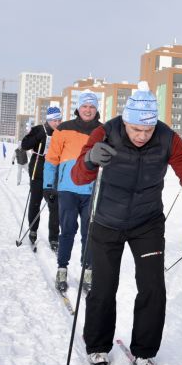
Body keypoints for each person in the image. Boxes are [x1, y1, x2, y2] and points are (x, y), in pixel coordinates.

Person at [71, 82, 182, 365]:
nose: (141, 136)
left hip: (146, 222)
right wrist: (90, 159)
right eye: (136, 129)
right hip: (106, 220)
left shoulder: (167, 138)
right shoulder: (106, 132)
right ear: (125, 121)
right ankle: (98, 346)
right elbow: (77, 177)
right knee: (103, 286)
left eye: (147, 131)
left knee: (153, 288)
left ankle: (145, 351)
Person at [44, 93, 101, 293]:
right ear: (78, 108)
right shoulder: (63, 128)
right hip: (67, 189)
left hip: (92, 191)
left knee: (90, 233)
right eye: (84, 106)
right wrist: (49, 185)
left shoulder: (103, 131)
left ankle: (88, 271)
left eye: (91, 106)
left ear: (96, 109)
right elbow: (52, 158)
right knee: (67, 230)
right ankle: (62, 269)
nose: (88, 110)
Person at [22, 107, 63, 251]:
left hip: (54, 173)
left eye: (59, 120)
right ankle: (33, 230)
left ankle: (54, 238)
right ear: (48, 119)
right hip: (38, 171)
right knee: (35, 202)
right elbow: (24, 145)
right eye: (54, 120)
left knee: (55, 205)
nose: (57, 123)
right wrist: (35, 136)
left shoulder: (62, 132)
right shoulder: (39, 130)